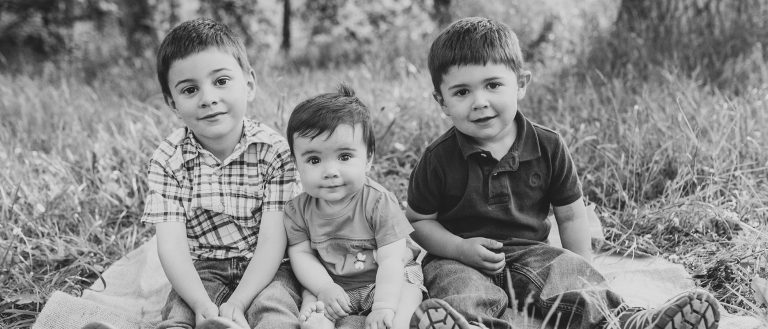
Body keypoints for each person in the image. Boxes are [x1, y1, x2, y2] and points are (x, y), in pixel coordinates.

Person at [405, 17, 721, 329]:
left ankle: (621, 321)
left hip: (531, 253)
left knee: (565, 271)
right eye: (462, 92)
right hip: (459, 256)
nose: (480, 102)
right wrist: (459, 249)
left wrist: (583, 271)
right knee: (456, 285)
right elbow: (419, 222)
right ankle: (472, 325)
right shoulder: (437, 158)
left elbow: (570, 216)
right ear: (442, 102)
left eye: (493, 85)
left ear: (521, 84)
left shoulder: (548, 145)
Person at [141, 18, 302, 329]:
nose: (208, 98)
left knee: (274, 305)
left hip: (269, 266)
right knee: (180, 311)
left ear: (249, 85)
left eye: (221, 81)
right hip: (203, 266)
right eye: (190, 89)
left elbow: (272, 241)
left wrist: (239, 301)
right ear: (173, 102)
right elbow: (172, 247)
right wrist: (201, 303)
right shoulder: (168, 159)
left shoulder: (274, 152)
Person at [283, 84, 425, 329]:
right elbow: (302, 255)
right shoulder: (297, 211)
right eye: (314, 160)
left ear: (368, 159)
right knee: (311, 303)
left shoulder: (378, 202)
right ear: (296, 163)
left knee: (407, 290)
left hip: (384, 281)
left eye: (344, 157)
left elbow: (391, 260)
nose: (330, 171)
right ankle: (318, 320)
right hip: (333, 287)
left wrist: (383, 306)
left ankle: (398, 324)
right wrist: (324, 288)